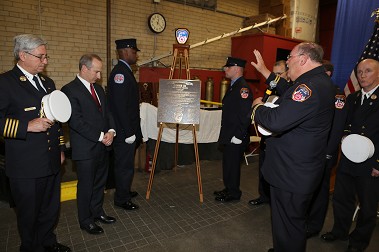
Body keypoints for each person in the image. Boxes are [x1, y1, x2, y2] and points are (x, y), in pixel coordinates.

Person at [251, 42, 335, 252]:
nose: (287, 61)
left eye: (290, 57)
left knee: (289, 226)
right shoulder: (316, 81)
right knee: (288, 224)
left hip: (292, 173)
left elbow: (276, 121)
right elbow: (288, 90)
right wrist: (265, 72)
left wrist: (257, 107)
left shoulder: (309, 87)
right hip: (298, 171)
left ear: (303, 59)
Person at [0, 34, 71, 251]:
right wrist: (26, 126)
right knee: (29, 214)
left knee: (50, 209)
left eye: (45, 56)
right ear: (23, 55)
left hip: (50, 160)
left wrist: (60, 148)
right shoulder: (6, 83)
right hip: (25, 165)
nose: (45, 61)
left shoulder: (48, 83)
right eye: (41, 57)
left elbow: (56, 121)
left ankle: (48, 243)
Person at [321, 58, 379, 252]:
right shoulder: (352, 98)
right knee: (341, 199)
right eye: (360, 71)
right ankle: (340, 231)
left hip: (371, 164)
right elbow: (345, 126)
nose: (362, 75)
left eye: (368, 71)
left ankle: (358, 243)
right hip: (348, 158)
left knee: (368, 207)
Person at [61, 54, 116, 235]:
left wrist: (111, 131)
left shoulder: (98, 89)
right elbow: (75, 122)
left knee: (100, 184)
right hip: (85, 149)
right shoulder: (69, 90)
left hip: (102, 145)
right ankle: (85, 220)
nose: (99, 76)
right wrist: (101, 136)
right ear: (84, 68)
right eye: (97, 71)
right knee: (86, 186)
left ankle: (97, 212)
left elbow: (107, 113)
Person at [305, 60, 348, 238]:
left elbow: (337, 127)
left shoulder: (337, 95)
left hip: (325, 151)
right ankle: (305, 219)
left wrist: (329, 153)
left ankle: (314, 225)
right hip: (311, 151)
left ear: (328, 74)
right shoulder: (317, 91)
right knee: (308, 187)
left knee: (320, 189)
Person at [248, 55, 291, 206]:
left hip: (280, 140)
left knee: (276, 172)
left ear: (288, 73)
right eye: (274, 73)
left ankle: (274, 199)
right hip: (267, 137)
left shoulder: (290, 92)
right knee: (263, 168)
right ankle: (263, 196)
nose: (275, 78)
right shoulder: (270, 91)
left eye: (279, 74)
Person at [108, 38, 142, 210]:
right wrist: (129, 132)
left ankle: (125, 191)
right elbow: (120, 107)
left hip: (128, 129)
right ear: (125, 51)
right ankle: (121, 199)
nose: (136, 55)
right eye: (134, 52)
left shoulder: (125, 71)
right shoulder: (120, 73)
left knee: (127, 165)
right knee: (124, 166)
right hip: (123, 132)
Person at [214, 57, 253, 202]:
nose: (225, 69)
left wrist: (239, 135)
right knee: (228, 164)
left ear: (237, 69)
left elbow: (245, 115)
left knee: (234, 165)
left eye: (228, 67)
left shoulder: (243, 88)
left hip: (236, 135)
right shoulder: (234, 85)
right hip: (229, 134)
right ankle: (228, 188)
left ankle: (234, 193)